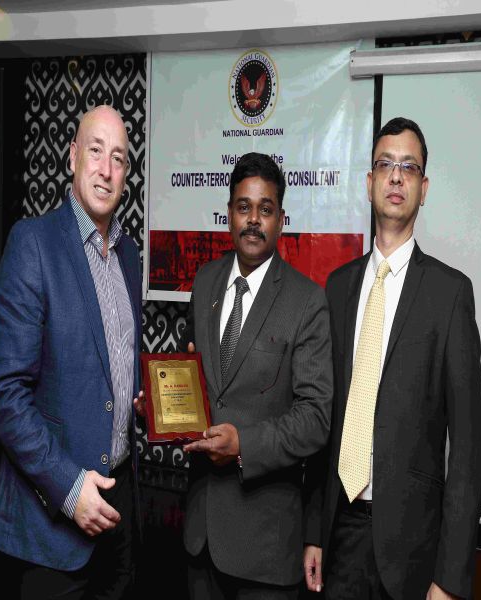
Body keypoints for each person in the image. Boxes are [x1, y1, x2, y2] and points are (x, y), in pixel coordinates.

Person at [303, 117, 481, 599]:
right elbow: (324, 418)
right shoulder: (338, 287)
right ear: (369, 183)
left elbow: (468, 450)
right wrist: (313, 531)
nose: (397, 176)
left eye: (410, 167)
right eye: (386, 164)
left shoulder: (450, 294)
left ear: (424, 189)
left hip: (413, 551)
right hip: (338, 535)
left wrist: (450, 578)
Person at [0, 105, 142, 598]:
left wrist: (141, 403)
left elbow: (111, 371)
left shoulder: (130, 255)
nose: (106, 169)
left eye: (118, 158)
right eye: (95, 151)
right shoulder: (32, 243)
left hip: (120, 511)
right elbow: (6, 394)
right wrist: (70, 490)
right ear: (72, 156)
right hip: (50, 526)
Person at [181, 152, 333, 598]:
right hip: (200, 538)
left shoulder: (307, 302)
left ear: (281, 220)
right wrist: (157, 408)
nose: (253, 220)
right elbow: (195, 383)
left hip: (265, 550)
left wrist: (244, 445)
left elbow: (315, 418)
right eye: (243, 207)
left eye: (265, 209)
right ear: (228, 214)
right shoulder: (205, 282)